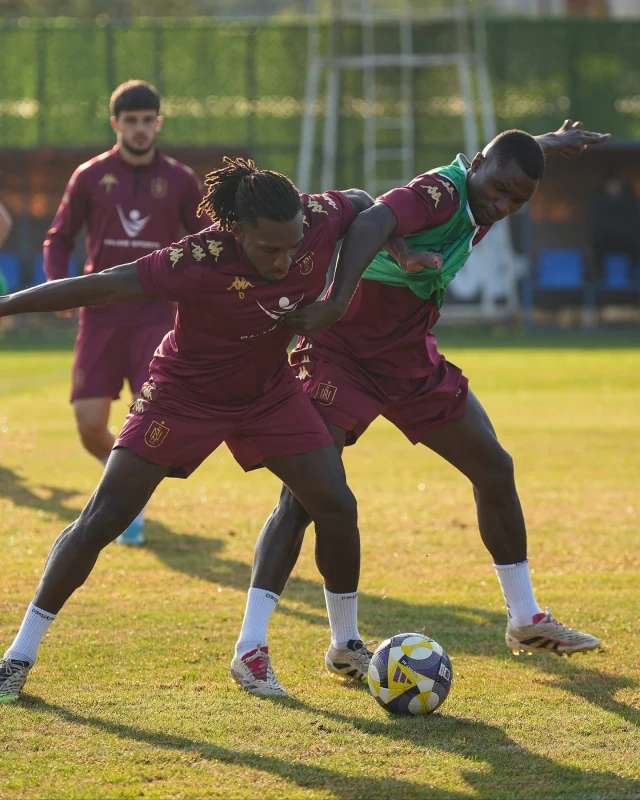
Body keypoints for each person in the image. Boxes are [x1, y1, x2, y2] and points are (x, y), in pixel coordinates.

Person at [232, 122, 610, 696]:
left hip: (408, 360)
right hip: (342, 354)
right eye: (499, 189)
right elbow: (372, 220)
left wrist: (549, 144)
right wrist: (340, 297)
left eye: (518, 199)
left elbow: (506, 159)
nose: (502, 203)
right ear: (476, 164)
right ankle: (257, 648)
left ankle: (526, 619)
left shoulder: (487, 188)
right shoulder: (441, 191)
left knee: (495, 468)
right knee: (307, 498)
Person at [0, 157, 374, 704]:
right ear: (236, 231)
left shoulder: (316, 217)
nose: (286, 258)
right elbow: (103, 284)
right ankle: (18, 656)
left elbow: (367, 206)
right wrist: (7, 305)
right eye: (270, 248)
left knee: (336, 505)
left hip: (268, 394)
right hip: (183, 395)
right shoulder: (196, 258)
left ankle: (343, 643)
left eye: (293, 245)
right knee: (103, 518)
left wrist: (340, 295)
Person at [43, 79, 208, 545]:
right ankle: (118, 483)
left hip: (158, 313)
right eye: (131, 120)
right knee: (90, 423)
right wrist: (58, 286)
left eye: (148, 119)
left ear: (159, 122)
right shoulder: (90, 175)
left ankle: (127, 502)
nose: (140, 128)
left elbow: (207, 243)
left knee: (151, 416)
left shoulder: (181, 179)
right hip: (100, 313)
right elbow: (59, 236)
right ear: (115, 123)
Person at [588, 172, 640, 281]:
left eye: (617, 184)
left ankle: (633, 274)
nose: (615, 187)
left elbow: (634, 221)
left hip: (626, 239)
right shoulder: (598, 200)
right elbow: (596, 222)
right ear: (606, 184)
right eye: (612, 184)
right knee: (597, 243)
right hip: (606, 239)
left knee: (637, 242)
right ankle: (600, 275)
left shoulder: (630, 199)